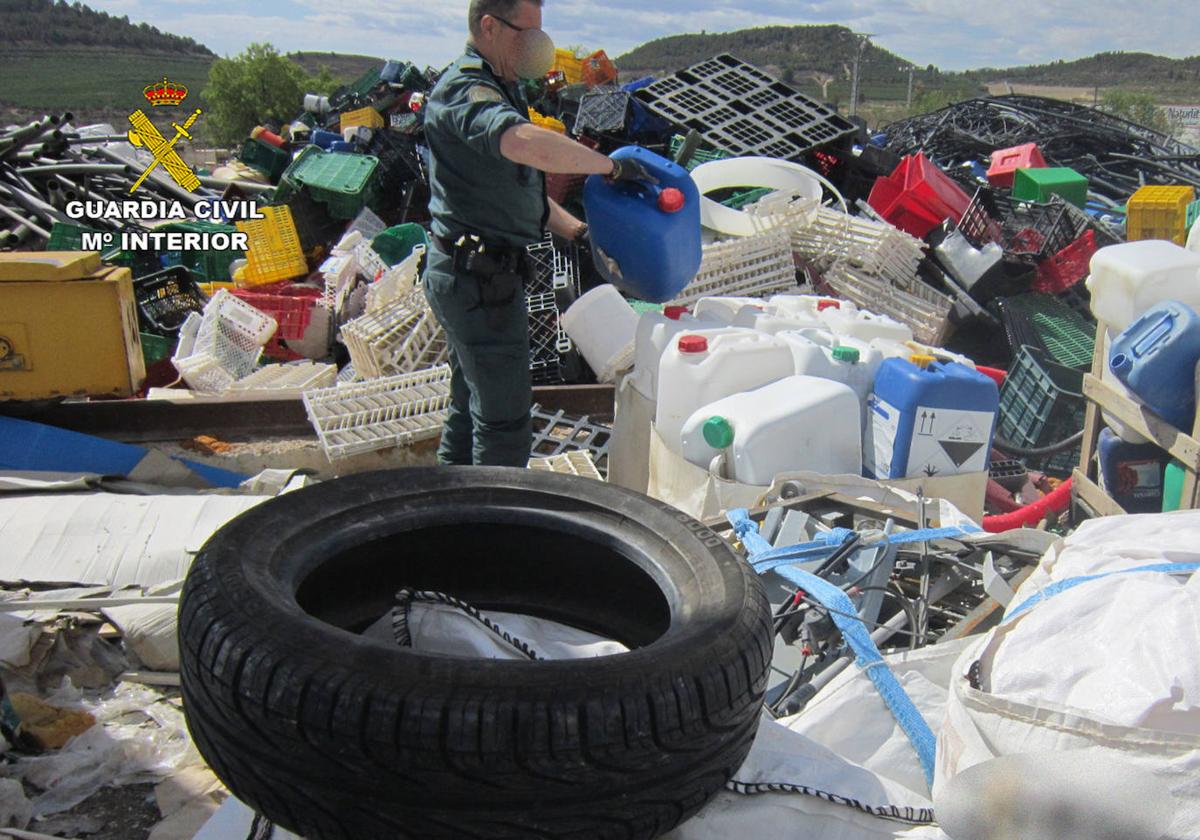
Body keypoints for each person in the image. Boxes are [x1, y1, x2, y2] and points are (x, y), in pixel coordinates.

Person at [422, 0, 655, 467]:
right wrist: (610, 166)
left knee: (470, 411)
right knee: (503, 422)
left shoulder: (501, 85)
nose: (537, 46)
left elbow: (514, 190)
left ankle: (450, 510)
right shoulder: (466, 91)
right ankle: (494, 532)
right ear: (489, 26)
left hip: (480, 275)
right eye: (525, 33)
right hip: (476, 282)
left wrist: (578, 231)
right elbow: (524, 143)